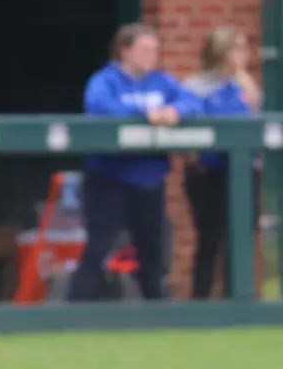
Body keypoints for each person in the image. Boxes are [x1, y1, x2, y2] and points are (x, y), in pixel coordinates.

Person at [70, 22, 200, 302]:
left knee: (153, 252)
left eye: (155, 50)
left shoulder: (162, 81)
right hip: (109, 179)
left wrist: (175, 111)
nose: (152, 55)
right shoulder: (105, 80)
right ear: (125, 50)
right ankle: (74, 310)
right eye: (145, 49)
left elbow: (192, 103)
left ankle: (156, 314)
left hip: (150, 180)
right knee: (99, 247)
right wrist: (146, 112)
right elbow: (100, 106)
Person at [181, 25, 261, 300]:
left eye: (244, 47)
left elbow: (254, 121)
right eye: (236, 48)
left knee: (241, 237)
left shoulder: (245, 84)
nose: (243, 54)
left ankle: (236, 297)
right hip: (209, 174)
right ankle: (200, 300)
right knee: (210, 239)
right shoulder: (195, 86)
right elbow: (190, 128)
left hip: (243, 171)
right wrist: (195, 159)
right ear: (220, 52)